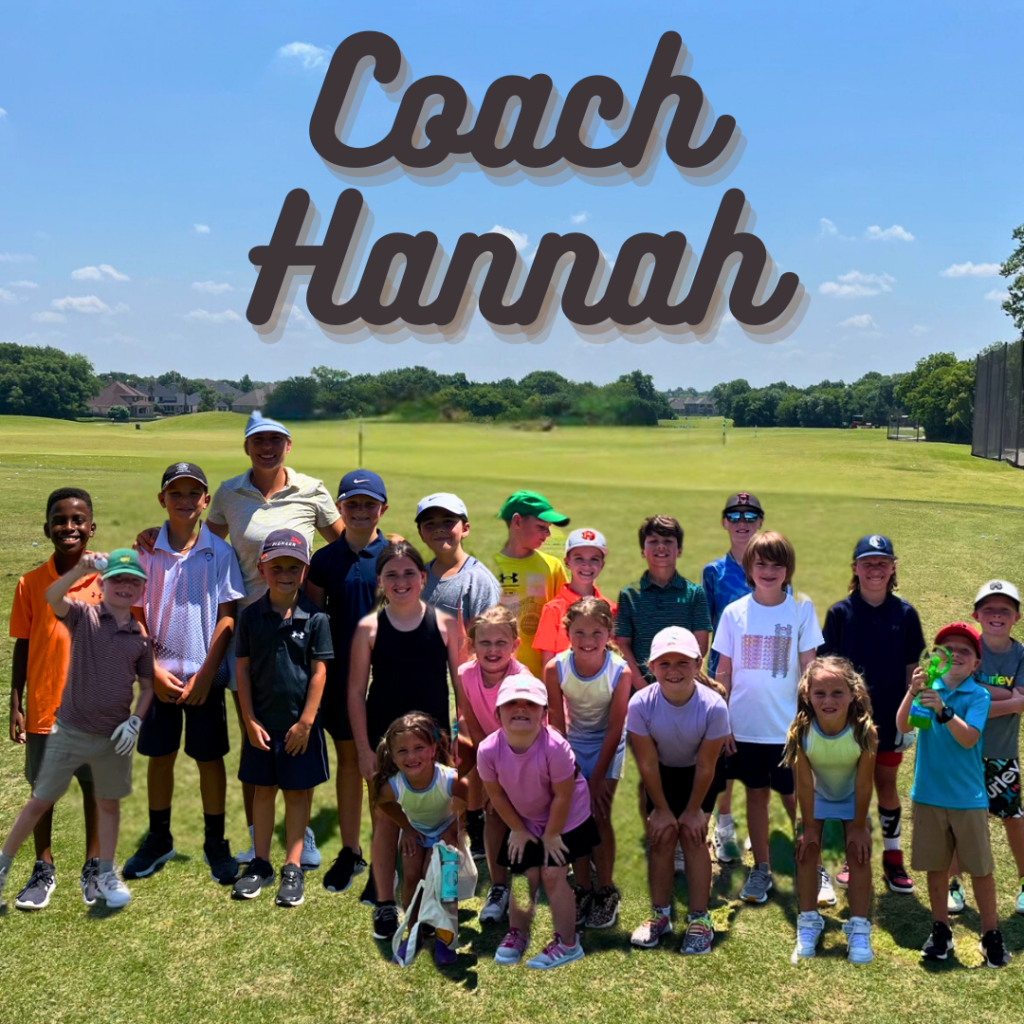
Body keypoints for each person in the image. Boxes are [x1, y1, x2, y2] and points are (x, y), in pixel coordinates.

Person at [137, 412, 342, 871]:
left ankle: (297, 827)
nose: (267, 447)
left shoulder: (312, 489)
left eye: (275, 439)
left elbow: (342, 543)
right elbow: (201, 540)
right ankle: (256, 834)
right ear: (247, 447)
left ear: (288, 445)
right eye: (258, 441)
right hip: (244, 631)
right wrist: (154, 535)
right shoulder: (229, 492)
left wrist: (385, 546)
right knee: (256, 733)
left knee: (294, 724)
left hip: (296, 627)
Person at [0, 550, 154, 910]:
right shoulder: (84, 616)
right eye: (117, 579)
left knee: (107, 804)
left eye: (133, 581)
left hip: (112, 736)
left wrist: (135, 720)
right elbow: (52, 598)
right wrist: (81, 569)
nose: (125, 586)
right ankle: (4, 865)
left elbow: (146, 687)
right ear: (102, 584)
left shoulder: (139, 638)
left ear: (142, 590)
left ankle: (102, 873)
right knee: (40, 799)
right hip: (69, 730)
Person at [123, 463, 245, 885]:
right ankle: (159, 838)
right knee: (160, 757)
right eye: (176, 492)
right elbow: (135, 615)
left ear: (206, 501)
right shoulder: (143, 550)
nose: (185, 500)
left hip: (203, 674)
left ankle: (215, 841)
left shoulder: (219, 551)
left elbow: (227, 618)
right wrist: (152, 670)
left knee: (210, 759)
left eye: (194, 493)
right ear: (162, 499)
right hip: (157, 676)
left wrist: (207, 673)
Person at [348, 541, 460, 941]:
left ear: (423, 578)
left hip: (436, 743)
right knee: (385, 819)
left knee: (441, 818)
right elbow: (355, 693)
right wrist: (364, 749)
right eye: (391, 575)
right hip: (385, 743)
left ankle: (436, 897)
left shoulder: (446, 624)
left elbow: (460, 688)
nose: (401, 581)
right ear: (379, 580)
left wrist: (459, 736)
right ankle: (383, 902)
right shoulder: (369, 628)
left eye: (409, 573)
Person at [712, 531, 823, 905]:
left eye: (778, 564)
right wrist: (723, 720)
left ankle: (814, 864)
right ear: (749, 567)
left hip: (788, 729)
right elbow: (723, 671)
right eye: (761, 563)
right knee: (756, 796)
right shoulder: (734, 612)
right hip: (745, 727)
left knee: (797, 798)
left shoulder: (801, 610)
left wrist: (810, 720)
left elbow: (810, 668)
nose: (769, 570)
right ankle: (761, 868)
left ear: (788, 570)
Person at [7, 488, 103, 910]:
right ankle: (42, 868)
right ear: (46, 528)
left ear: (91, 528)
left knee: (94, 788)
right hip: (46, 710)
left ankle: (95, 866)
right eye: (60, 520)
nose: (69, 527)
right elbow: (24, 647)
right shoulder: (30, 583)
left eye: (78, 519)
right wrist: (15, 701)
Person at [896, 622, 1010, 968]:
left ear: (976, 663)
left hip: (968, 797)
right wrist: (913, 692)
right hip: (928, 795)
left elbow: (969, 738)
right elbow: (903, 726)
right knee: (935, 868)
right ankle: (941, 930)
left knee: (980, 870)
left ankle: (991, 934)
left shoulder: (979, 695)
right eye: (947, 650)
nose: (955, 655)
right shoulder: (929, 687)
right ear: (937, 658)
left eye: (965, 651)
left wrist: (944, 710)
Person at [231, 531, 332, 907]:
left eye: (293, 566)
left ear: (305, 571)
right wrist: (248, 719)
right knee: (262, 791)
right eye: (277, 566)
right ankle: (260, 864)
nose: (285, 573)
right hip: (261, 725)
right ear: (262, 569)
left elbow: (319, 672)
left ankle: (292, 866)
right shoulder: (250, 616)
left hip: (299, 728)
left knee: (296, 794)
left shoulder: (317, 618)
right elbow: (242, 670)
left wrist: (306, 722)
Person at [819, 535, 925, 896]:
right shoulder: (839, 613)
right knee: (854, 789)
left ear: (893, 566)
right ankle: (855, 853)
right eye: (868, 562)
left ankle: (893, 858)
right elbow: (827, 670)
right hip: (851, 722)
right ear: (855, 568)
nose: (875, 569)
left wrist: (912, 719)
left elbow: (915, 671)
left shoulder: (906, 614)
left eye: (882, 562)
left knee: (886, 787)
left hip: (891, 720)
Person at [305, 468, 390, 895]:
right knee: (350, 762)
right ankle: (351, 851)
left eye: (368, 504)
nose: (360, 511)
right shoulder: (323, 560)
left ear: (382, 508)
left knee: (380, 767)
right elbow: (316, 621)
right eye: (351, 504)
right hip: (340, 678)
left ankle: (382, 857)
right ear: (339, 508)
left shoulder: (395, 555)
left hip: (386, 679)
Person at [477, 674, 599, 970]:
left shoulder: (555, 746)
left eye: (530, 703)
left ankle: (569, 944)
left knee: (553, 875)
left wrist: (553, 834)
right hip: (526, 819)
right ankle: (517, 932)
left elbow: (563, 795)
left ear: (544, 713)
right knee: (523, 873)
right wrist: (517, 829)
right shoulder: (487, 750)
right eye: (511, 703)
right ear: (497, 713)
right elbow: (496, 795)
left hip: (567, 816)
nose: (521, 708)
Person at [627, 627, 729, 955]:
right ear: (651, 666)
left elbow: (706, 766)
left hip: (701, 775)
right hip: (660, 775)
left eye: (683, 662)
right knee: (662, 838)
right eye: (665, 663)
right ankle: (660, 916)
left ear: (698, 663)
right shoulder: (640, 704)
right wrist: (662, 810)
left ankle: (700, 919)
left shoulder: (714, 706)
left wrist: (693, 810)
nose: (673, 670)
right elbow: (647, 764)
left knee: (694, 837)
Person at [544, 596, 631, 930]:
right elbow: (556, 724)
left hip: (609, 747)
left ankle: (605, 888)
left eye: (597, 632)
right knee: (575, 818)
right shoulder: (556, 668)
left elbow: (614, 728)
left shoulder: (619, 671)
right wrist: (571, 769)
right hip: (573, 746)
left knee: (600, 812)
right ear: (567, 632)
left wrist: (595, 783)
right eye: (579, 633)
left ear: (608, 633)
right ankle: (581, 887)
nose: (588, 641)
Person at [783, 657, 877, 965]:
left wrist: (860, 826)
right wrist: (809, 828)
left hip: (853, 797)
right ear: (808, 694)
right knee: (806, 851)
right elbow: (805, 785)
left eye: (837, 693)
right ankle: (809, 921)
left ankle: (859, 927)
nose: (828, 700)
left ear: (853, 694)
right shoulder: (801, 731)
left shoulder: (865, 732)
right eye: (820, 693)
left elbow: (863, 786)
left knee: (858, 852)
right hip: (818, 796)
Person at [947, 581, 1024, 916]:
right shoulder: (967, 649)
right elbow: (959, 699)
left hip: (1002, 753)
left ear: (1016, 617)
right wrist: (1010, 698)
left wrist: (978, 696)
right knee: (956, 821)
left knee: (1013, 818)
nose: (996, 615)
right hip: (963, 752)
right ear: (976, 614)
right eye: (989, 609)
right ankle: (953, 885)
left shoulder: (1020, 654)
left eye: (1004, 609)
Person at [374, 713, 468, 966]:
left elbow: (470, 804)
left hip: (447, 832)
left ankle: (445, 938)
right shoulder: (392, 786)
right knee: (411, 879)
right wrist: (406, 827)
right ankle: (414, 933)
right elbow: (383, 803)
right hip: (417, 833)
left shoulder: (449, 779)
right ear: (392, 756)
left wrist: (456, 830)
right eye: (402, 751)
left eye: (419, 748)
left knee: (442, 884)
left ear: (433, 749)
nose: (411, 756)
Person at [702, 492, 764, 866]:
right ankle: (723, 824)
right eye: (734, 515)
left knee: (758, 750)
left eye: (750, 515)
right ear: (724, 522)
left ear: (760, 522)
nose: (742, 521)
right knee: (723, 752)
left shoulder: (773, 567)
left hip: (760, 676)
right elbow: (707, 624)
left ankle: (757, 824)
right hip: (722, 674)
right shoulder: (713, 572)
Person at [456, 604, 528, 923]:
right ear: (472, 645)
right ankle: (499, 888)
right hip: (493, 752)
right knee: (494, 812)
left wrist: (505, 770)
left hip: (529, 752)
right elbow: (471, 723)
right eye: (484, 642)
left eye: (501, 642)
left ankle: (555, 872)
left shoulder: (521, 678)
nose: (493, 649)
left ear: (515, 644)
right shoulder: (464, 674)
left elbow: (525, 729)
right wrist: (490, 771)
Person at [614, 515, 711, 687]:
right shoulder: (629, 595)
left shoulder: (695, 594)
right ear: (643, 550)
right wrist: (643, 688)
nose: (661, 546)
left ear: (679, 549)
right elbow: (623, 645)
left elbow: (700, 647)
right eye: (653, 541)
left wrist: (677, 681)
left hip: (682, 687)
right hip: (640, 690)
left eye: (668, 541)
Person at [493, 490, 571, 676]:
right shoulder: (489, 566)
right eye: (541, 527)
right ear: (517, 521)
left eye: (549, 527)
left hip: (541, 674)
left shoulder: (552, 567)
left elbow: (565, 619)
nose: (547, 534)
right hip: (495, 673)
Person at [416, 491, 502, 634]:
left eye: (448, 521)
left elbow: (491, 637)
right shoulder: (418, 577)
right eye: (430, 523)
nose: (439, 528)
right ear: (421, 534)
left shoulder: (478, 581)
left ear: (465, 529)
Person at [534, 528, 618, 673]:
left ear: (602, 564)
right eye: (579, 558)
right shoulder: (553, 609)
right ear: (567, 562)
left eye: (594, 559)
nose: (587, 565)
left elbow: (615, 658)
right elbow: (547, 665)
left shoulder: (611, 608)